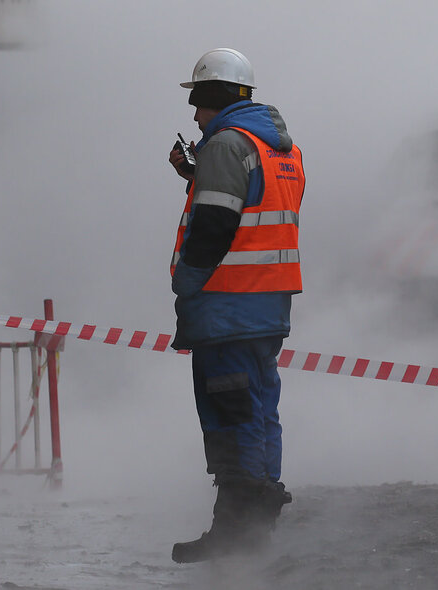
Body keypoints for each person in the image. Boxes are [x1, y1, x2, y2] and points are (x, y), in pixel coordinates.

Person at [166, 48, 305, 563]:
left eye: (198, 103)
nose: (194, 116)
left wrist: (186, 283)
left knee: (230, 414)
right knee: (259, 410)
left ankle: (237, 532)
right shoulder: (278, 149)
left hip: (228, 308)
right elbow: (256, 209)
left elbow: (217, 226)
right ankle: (257, 526)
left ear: (214, 97)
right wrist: (194, 176)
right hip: (267, 306)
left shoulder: (225, 145)